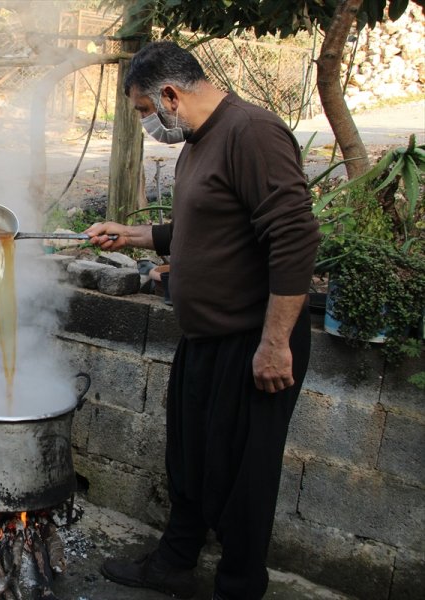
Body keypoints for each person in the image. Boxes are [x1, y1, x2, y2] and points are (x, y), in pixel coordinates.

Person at [86, 41, 320, 600]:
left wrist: (275, 343)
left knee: (242, 479)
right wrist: (133, 234)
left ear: (170, 95)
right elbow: (201, 227)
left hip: (252, 341)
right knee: (189, 461)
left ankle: (238, 587)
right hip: (205, 338)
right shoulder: (197, 143)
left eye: (145, 111)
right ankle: (174, 563)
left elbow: (293, 237)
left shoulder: (252, 133)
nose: (148, 124)